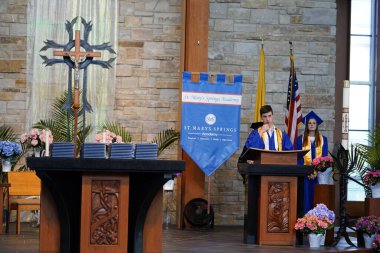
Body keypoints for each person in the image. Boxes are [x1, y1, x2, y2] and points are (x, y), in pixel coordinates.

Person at [295, 111, 329, 214]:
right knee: (305, 198)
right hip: (304, 176)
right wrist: (306, 172)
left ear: (317, 125)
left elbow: (324, 158)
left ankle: (317, 221)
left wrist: (316, 172)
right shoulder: (300, 140)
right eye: (310, 123)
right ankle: (304, 221)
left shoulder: (323, 140)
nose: (312, 125)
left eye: (314, 123)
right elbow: (298, 158)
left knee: (316, 197)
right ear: (306, 125)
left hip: (318, 176)